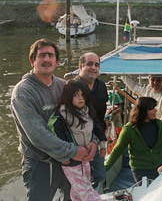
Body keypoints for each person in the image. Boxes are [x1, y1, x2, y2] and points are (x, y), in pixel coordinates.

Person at [10, 39, 94, 201]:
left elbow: (84, 116)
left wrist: (94, 141)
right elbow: (38, 135)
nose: (47, 59)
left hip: (69, 161)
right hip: (41, 163)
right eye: (41, 55)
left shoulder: (65, 87)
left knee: (72, 197)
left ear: (56, 62)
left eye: (51, 55)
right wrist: (74, 151)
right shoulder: (23, 92)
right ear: (32, 60)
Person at [105, 97, 162, 183]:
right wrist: (106, 168)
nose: (155, 110)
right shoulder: (129, 129)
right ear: (143, 111)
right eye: (152, 108)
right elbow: (117, 150)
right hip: (141, 172)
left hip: (160, 168)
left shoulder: (160, 125)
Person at [51, 79, 102, 201]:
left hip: (85, 159)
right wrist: (64, 157)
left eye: (83, 95)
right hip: (71, 161)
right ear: (68, 96)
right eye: (76, 95)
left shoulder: (87, 111)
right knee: (84, 189)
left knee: (80, 188)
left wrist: (94, 143)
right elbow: (56, 137)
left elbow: (93, 130)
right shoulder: (62, 116)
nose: (81, 98)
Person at [78, 52, 108, 189]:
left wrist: (102, 141)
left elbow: (100, 116)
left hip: (98, 136)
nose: (93, 68)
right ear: (80, 66)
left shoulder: (101, 86)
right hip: (79, 140)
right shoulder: (73, 87)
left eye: (96, 65)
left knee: (100, 175)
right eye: (89, 64)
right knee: (80, 180)